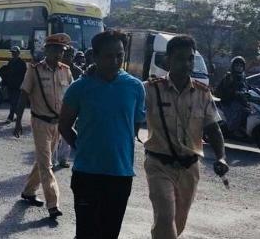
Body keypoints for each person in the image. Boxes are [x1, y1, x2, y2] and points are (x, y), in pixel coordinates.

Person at [59, 30, 146, 239]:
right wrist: (81, 147)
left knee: (109, 234)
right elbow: (64, 125)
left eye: (120, 55)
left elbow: (133, 129)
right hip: (87, 175)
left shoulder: (135, 87)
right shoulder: (79, 88)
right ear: (95, 56)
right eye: (109, 56)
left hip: (120, 176)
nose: (115, 61)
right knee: (86, 234)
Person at [142, 35, 228, 239]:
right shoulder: (150, 89)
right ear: (168, 60)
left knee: (177, 224)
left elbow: (213, 129)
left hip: (189, 168)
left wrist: (221, 157)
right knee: (165, 217)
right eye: (180, 58)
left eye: (190, 58)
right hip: (159, 165)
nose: (186, 63)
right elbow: (125, 96)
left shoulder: (203, 93)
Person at [13, 33, 73, 220]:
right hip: (40, 122)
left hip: (58, 124)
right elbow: (23, 95)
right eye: (55, 50)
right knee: (47, 165)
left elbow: (71, 97)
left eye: (61, 51)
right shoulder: (34, 70)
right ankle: (53, 204)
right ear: (46, 50)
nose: (58, 54)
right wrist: (17, 122)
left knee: (42, 161)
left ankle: (29, 191)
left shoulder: (66, 70)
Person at [215, 56, 251, 136]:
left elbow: (248, 88)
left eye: (241, 66)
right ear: (233, 66)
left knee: (249, 110)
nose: (239, 67)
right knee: (238, 109)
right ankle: (233, 128)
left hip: (239, 100)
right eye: (237, 65)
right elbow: (226, 88)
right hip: (228, 101)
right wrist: (235, 92)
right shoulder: (229, 76)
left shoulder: (243, 77)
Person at [4, 46, 27, 123]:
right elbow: (7, 72)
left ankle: (10, 117)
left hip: (18, 85)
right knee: (12, 101)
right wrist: (5, 82)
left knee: (14, 101)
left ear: (18, 53)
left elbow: (25, 75)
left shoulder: (22, 63)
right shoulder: (10, 62)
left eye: (15, 52)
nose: (13, 54)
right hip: (10, 84)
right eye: (12, 53)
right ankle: (18, 115)